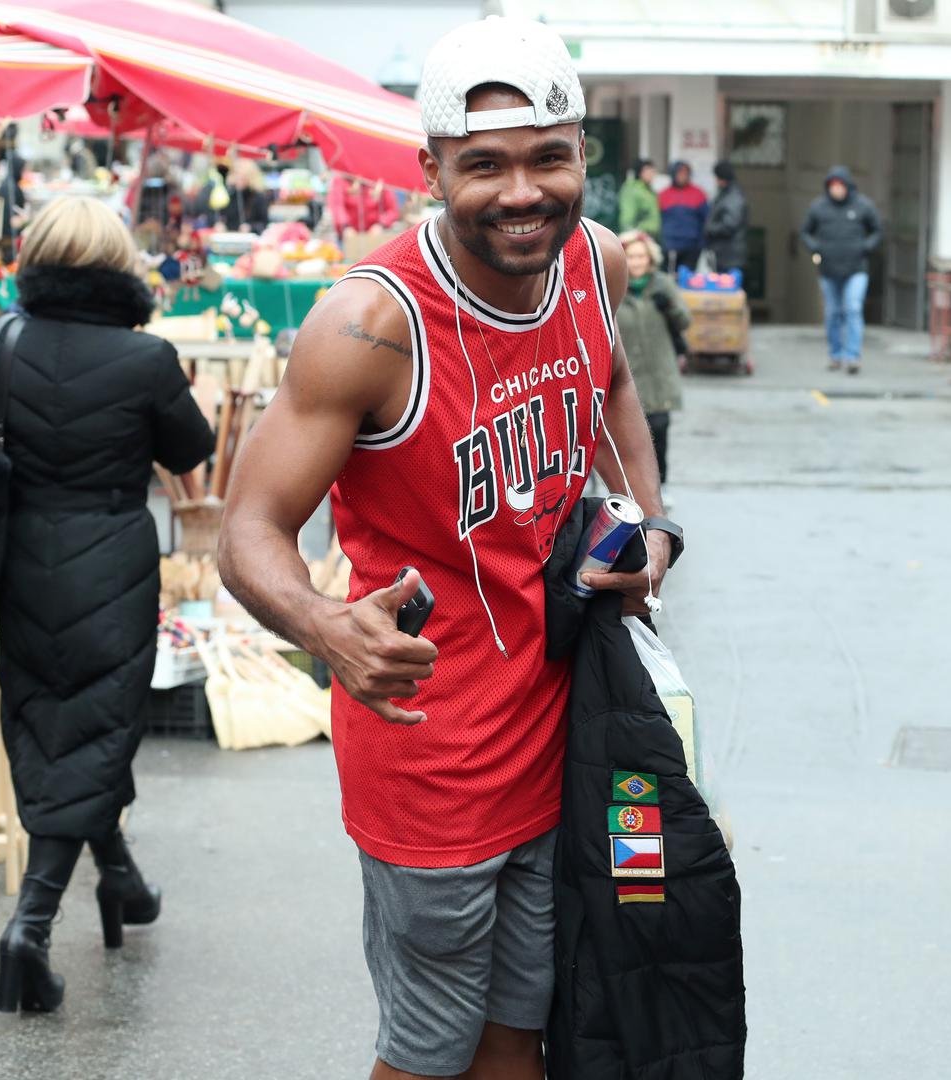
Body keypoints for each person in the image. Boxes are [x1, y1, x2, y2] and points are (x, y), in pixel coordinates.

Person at [216, 17, 677, 1080]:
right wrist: (328, 624)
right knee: (428, 1050)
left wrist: (649, 523)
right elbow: (248, 528)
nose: (523, 191)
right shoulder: (372, 325)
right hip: (433, 757)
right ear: (431, 170)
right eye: (485, 166)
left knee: (523, 1031)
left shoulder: (593, 266)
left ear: (580, 155)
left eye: (547, 158)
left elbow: (614, 390)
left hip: (568, 730)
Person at [0, 197, 215, 1013]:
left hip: (20, 565)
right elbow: (190, 451)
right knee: (98, 726)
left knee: (53, 723)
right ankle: (30, 924)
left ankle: (122, 884)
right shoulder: (147, 360)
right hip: (114, 566)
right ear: (118, 264)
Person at [616, 229, 689, 504]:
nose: (636, 262)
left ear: (650, 259)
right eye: (631, 256)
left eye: (640, 257)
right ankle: (627, 489)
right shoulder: (614, 284)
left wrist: (669, 305)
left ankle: (662, 484)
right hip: (628, 373)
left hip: (659, 372)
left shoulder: (662, 285)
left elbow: (684, 322)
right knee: (626, 437)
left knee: (659, 430)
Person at [802, 165, 882, 374]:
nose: (836, 190)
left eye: (840, 186)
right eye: (832, 186)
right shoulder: (819, 207)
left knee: (853, 309)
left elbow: (877, 230)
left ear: (847, 186)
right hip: (828, 270)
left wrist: (866, 248)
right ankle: (835, 354)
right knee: (833, 313)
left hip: (856, 268)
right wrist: (816, 249)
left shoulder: (863, 206)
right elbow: (806, 232)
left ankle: (852, 356)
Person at [658, 160, 708, 273]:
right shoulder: (663, 194)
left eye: (685, 173)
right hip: (669, 245)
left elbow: (705, 220)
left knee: (686, 277)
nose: (683, 176)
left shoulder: (699, 194)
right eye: (680, 173)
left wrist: (701, 243)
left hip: (691, 246)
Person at [328, 175, 402, 243]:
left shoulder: (381, 181)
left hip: (374, 236)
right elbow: (337, 206)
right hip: (348, 235)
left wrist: (381, 225)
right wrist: (345, 226)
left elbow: (393, 210)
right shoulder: (341, 180)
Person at [703, 160, 748, 273]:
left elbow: (729, 225)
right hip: (724, 254)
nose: (716, 181)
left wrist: (709, 229)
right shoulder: (726, 194)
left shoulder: (733, 197)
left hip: (730, 257)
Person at [617, 157, 661, 240]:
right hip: (638, 237)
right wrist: (631, 236)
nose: (651, 173)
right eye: (647, 170)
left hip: (651, 237)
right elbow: (627, 218)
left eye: (652, 170)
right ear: (639, 172)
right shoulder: (632, 189)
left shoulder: (650, 191)